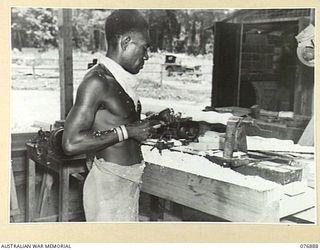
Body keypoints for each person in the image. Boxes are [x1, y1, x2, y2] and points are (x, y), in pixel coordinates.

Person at [62, 9, 160, 221]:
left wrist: (151, 124)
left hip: (126, 183)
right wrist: (128, 131)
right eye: (144, 48)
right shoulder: (97, 82)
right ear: (125, 42)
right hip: (106, 187)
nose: (147, 56)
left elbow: (119, 125)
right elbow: (70, 143)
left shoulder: (120, 81)